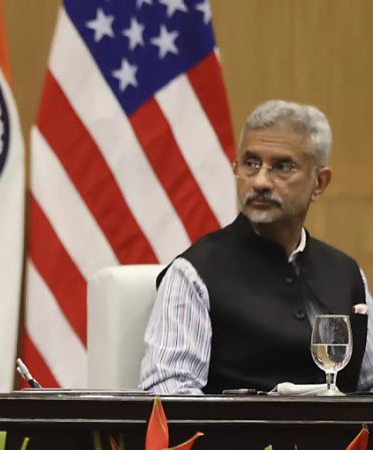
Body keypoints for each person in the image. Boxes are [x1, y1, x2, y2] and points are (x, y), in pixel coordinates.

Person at [139, 99, 373, 394]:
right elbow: (168, 398)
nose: (261, 181)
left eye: (282, 167)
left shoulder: (346, 273)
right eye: (251, 164)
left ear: (319, 182)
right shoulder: (194, 274)